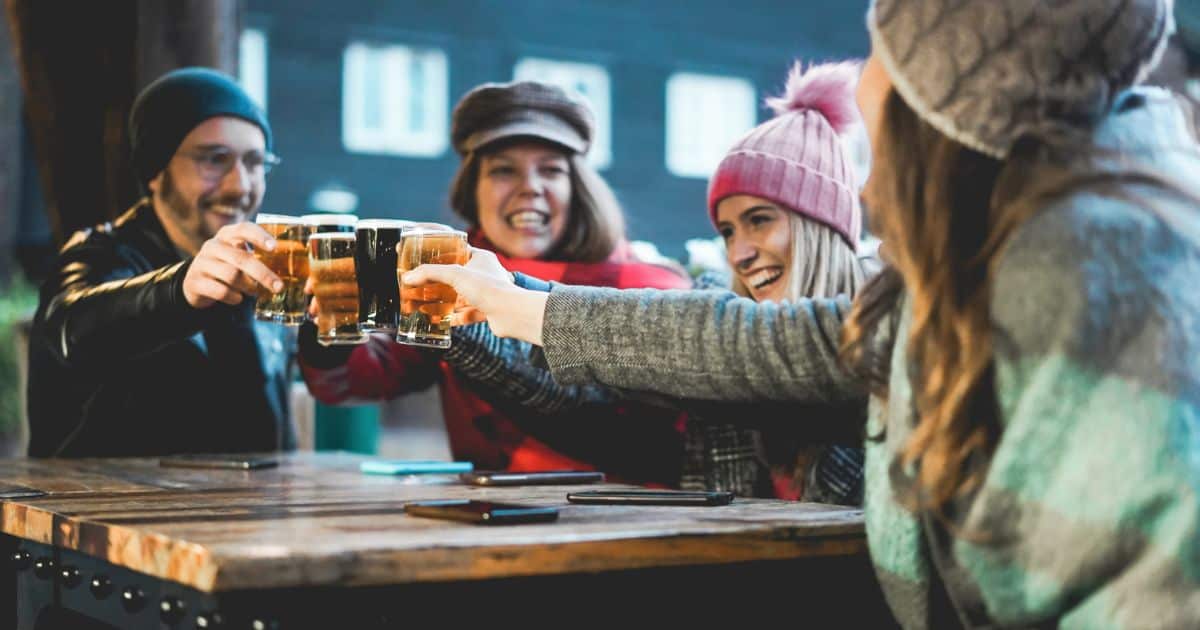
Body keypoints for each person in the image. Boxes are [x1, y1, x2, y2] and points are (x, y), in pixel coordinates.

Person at [407, 0, 1200, 626]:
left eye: (891, 66)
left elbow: (1143, 586)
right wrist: (497, 307)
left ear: (958, 114)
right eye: (729, 227)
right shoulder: (978, 268)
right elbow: (725, 344)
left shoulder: (1089, 273)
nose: (871, 95)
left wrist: (507, 306)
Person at [443, 62, 873, 503]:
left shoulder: (880, 322)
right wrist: (457, 312)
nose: (739, 252)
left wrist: (506, 302)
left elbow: (736, 347)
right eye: (727, 231)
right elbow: (590, 408)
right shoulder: (716, 318)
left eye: (759, 220)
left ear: (823, 225)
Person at [299, 81, 691, 483]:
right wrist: (327, 318)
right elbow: (357, 381)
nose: (530, 188)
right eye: (504, 170)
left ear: (579, 190)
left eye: (551, 170)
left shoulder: (644, 283)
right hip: (491, 516)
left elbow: (641, 425)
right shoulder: (446, 278)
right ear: (473, 191)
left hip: (625, 514)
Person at [27, 68, 292, 457]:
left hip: (242, 512)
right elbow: (71, 330)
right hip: (103, 511)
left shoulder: (263, 267)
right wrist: (180, 289)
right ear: (155, 171)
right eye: (215, 160)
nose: (240, 186)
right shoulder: (101, 253)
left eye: (254, 163)